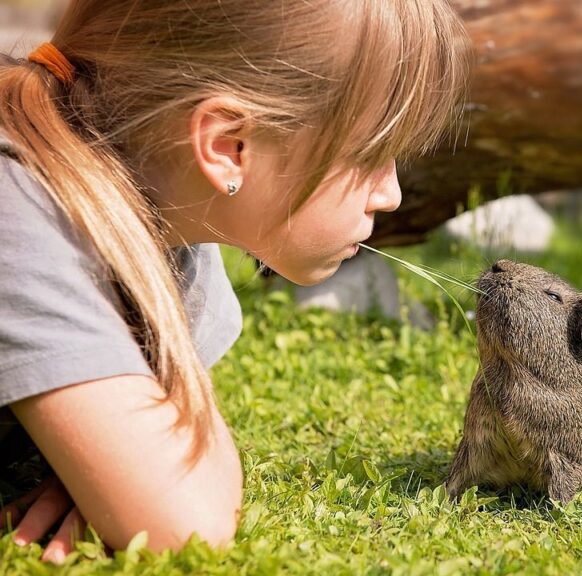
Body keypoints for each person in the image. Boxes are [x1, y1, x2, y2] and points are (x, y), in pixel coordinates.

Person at [0, 0, 471, 564]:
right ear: (228, 147)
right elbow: (186, 523)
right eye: (370, 154)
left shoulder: (175, 225)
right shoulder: (20, 213)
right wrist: (145, 478)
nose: (390, 194)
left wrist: (107, 466)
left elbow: (171, 458)